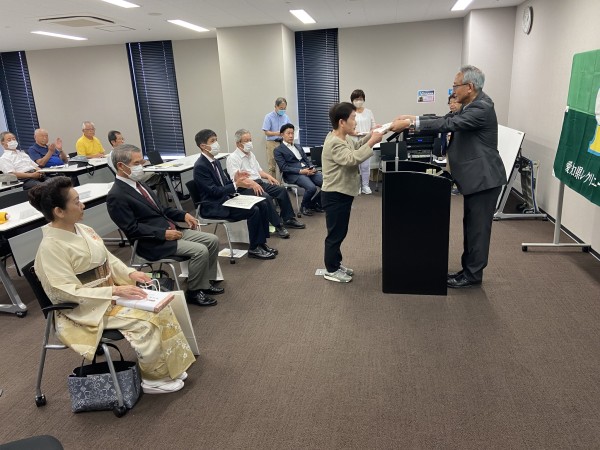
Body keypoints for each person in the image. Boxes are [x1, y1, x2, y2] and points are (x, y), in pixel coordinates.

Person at [30, 177, 194, 394]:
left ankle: (170, 367)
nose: (82, 205)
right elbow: (64, 291)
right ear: (59, 211)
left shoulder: (84, 229)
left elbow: (108, 259)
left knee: (161, 307)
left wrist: (130, 273)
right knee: (147, 321)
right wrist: (114, 290)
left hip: (108, 295)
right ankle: (154, 379)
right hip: (85, 308)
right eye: (76, 202)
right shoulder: (50, 248)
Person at [389, 65, 507, 288]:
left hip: (484, 179)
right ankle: (468, 271)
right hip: (476, 179)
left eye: (455, 86)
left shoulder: (482, 107)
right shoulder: (470, 105)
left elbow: (448, 124)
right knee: (471, 228)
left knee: (478, 231)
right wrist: (413, 117)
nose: (453, 91)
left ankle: (472, 275)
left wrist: (411, 123)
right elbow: (445, 118)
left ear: (469, 87)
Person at [107, 144, 221, 307]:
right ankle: (194, 292)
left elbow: (161, 209)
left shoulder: (139, 184)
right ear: (121, 166)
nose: (141, 167)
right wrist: (162, 234)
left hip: (170, 230)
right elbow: (131, 228)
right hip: (152, 242)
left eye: (141, 162)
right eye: (136, 163)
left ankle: (205, 283)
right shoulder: (116, 195)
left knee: (212, 240)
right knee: (200, 251)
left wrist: (183, 215)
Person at [321, 102, 383, 283]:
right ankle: (331, 270)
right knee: (335, 235)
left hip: (342, 193)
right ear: (342, 122)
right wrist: (372, 141)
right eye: (353, 118)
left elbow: (356, 147)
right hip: (334, 194)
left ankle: (336, 263)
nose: (356, 122)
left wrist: (372, 134)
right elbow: (352, 159)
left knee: (340, 232)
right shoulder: (334, 142)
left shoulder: (343, 137)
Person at [193, 129, 277, 260]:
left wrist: (236, 179)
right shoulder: (200, 166)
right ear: (203, 146)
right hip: (213, 206)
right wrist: (236, 184)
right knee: (253, 210)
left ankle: (261, 243)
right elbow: (214, 192)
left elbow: (223, 183)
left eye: (216, 140)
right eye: (212, 141)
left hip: (225, 199)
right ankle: (254, 248)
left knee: (262, 204)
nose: (216, 144)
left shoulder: (214, 161)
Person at [226, 128, 305, 238]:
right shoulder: (232, 158)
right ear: (238, 143)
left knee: (281, 190)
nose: (249, 143)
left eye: (250, 140)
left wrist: (269, 177)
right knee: (265, 197)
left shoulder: (251, 155)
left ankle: (288, 219)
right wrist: (253, 184)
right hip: (245, 187)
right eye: (246, 141)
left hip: (258, 183)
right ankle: (278, 225)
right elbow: (237, 180)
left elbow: (259, 171)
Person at [106, 130, 168, 205]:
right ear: (113, 142)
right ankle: (160, 203)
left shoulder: (124, 153)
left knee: (159, 176)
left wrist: (139, 161)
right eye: (120, 139)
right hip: (130, 177)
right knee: (158, 175)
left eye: (123, 139)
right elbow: (120, 172)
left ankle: (159, 203)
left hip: (133, 174)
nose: (122, 141)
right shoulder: (112, 156)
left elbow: (140, 163)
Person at [274, 123, 323, 216]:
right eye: (288, 133)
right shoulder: (278, 150)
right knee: (311, 188)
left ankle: (314, 204)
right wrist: (301, 171)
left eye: (292, 133)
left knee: (327, 184)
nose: (291, 136)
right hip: (294, 174)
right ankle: (304, 206)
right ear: (282, 135)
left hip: (307, 170)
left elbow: (306, 159)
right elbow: (284, 168)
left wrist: (312, 167)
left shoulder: (298, 146)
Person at [350, 89, 377, 194]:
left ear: (363, 100)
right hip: (353, 140)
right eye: (356, 99)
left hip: (366, 140)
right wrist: (353, 132)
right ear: (352, 100)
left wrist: (372, 132)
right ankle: (357, 186)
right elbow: (347, 126)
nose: (358, 101)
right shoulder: (350, 112)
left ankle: (365, 185)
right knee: (355, 165)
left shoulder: (368, 112)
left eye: (360, 99)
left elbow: (373, 126)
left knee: (365, 165)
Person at [262, 97, 291, 178]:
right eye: (281, 108)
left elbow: (290, 128)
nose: (283, 110)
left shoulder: (286, 117)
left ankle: (284, 183)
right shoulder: (268, 117)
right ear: (276, 106)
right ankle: (273, 183)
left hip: (283, 143)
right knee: (272, 166)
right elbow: (266, 132)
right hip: (272, 143)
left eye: (284, 108)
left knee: (284, 165)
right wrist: (277, 133)